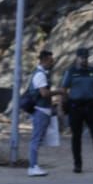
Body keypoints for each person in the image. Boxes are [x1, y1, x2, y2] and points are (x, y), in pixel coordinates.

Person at [62, 47, 93, 173]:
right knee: (76, 136)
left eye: (86, 57)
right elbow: (64, 90)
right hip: (75, 107)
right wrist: (63, 106)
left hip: (91, 107)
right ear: (77, 58)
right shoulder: (71, 71)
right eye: (82, 57)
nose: (84, 60)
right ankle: (78, 165)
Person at [27, 49, 58, 177]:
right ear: (45, 60)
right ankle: (33, 166)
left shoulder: (42, 73)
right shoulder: (40, 75)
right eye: (51, 60)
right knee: (36, 139)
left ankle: (34, 165)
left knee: (38, 139)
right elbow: (44, 93)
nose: (52, 63)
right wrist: (58, 92)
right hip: (40, 110)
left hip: (43, 110)